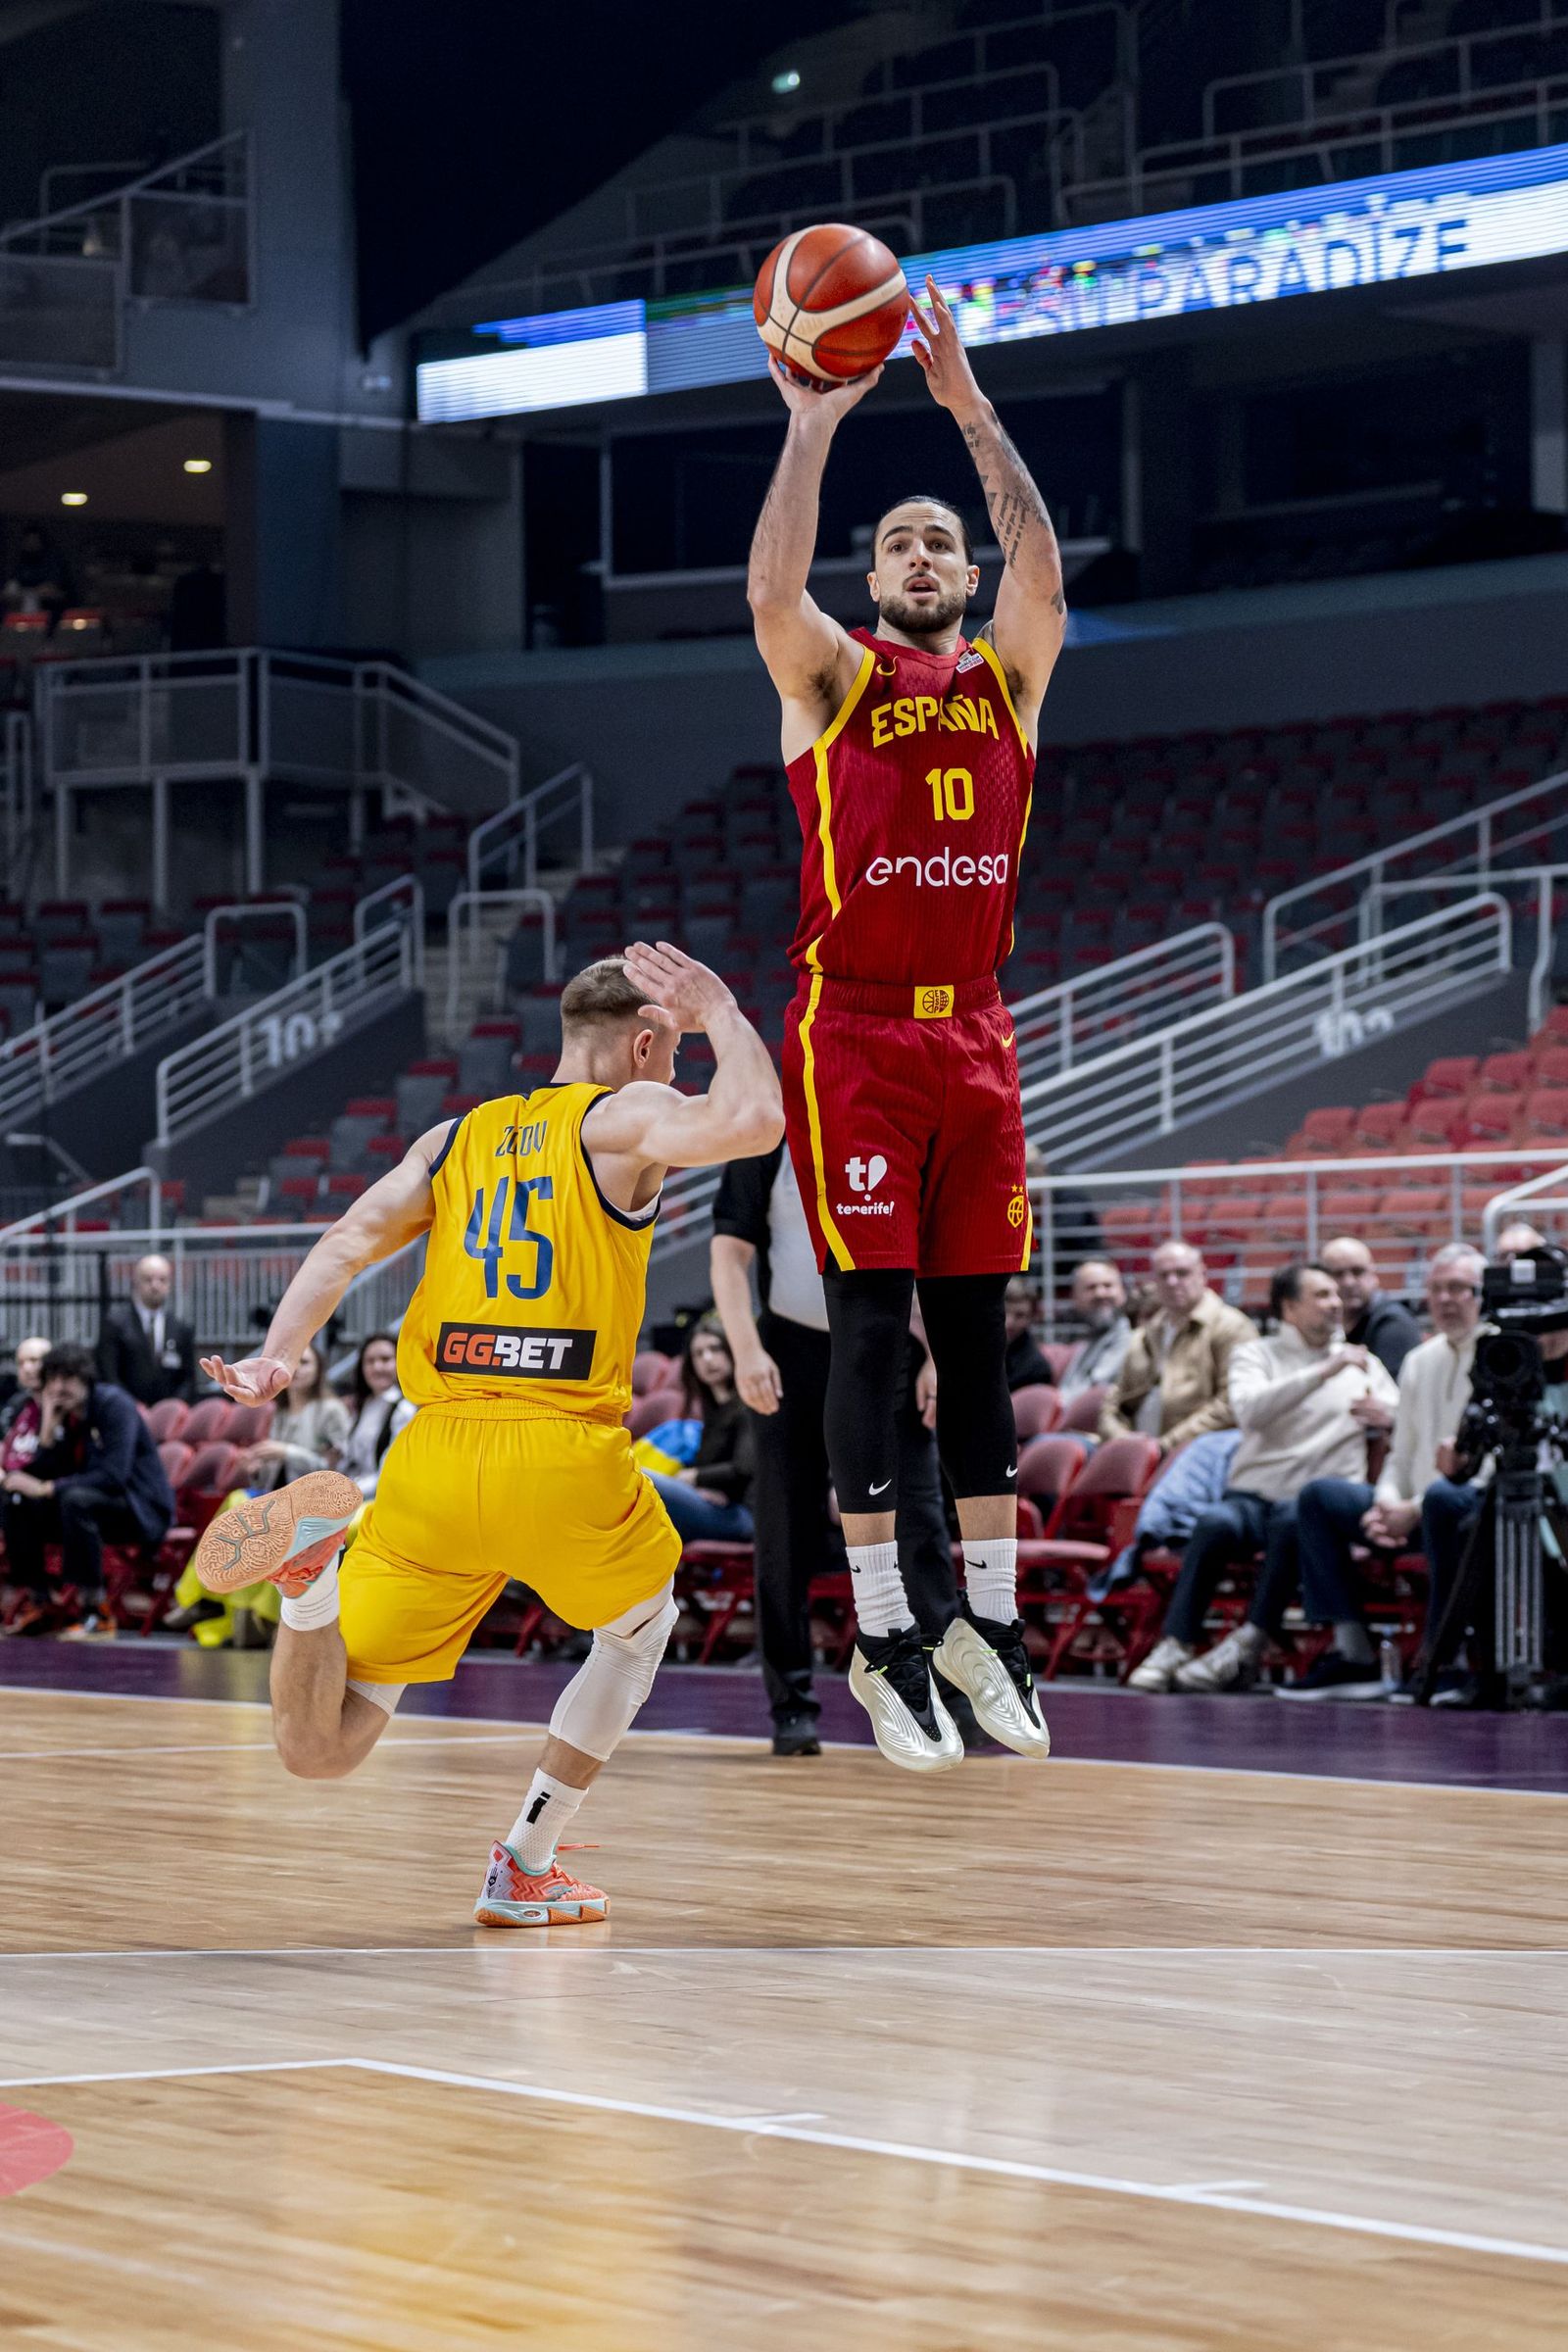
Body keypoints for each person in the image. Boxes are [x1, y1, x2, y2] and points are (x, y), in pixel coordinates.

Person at [191, 945, 783, 1928]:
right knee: (641, 1628)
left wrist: (276, 1359)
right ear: (642, 1045)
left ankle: (308, 1584)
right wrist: (717, 1006)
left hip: (432, 1458)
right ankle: (526, 1861)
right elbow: (756, 1119)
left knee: (318, 1747)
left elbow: (346, 1240)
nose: (675, 1069)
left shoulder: (452, 1139)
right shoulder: (621, 1116)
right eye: (673, 1051)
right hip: (558, 1451)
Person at [747, 270, 1065, 1771]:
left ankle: (984, 1625)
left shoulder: (1010, 678)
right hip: (855, 1029)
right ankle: (882, 1636)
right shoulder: (834, 676)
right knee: (871, 1332)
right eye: (899, 541)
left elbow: (1043, 566)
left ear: (965, 571)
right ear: (872, 576)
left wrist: (970, 410)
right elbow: (769, 595)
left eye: (941, 539)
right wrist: (812, 429)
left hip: (977, 1031)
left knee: (979, 1338)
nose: (924, 553)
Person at [710, 1138, 970, 1757]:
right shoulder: (766, 1138)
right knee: (783, 1532)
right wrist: (746, 1351)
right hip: (789, 1353)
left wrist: (937, 1354)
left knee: (919, 1525)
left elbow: (940, 1253)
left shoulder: (892, 1127)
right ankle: (792, 1706)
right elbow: (728, 1254)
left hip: (887, 1344)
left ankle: (949, 1696)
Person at [1129, 1263, 1398, 1693]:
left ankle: (1248, 1643)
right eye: (1322, 1295)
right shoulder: (1257, 1355)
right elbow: (1249, 1410)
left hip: (1313, 1507)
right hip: (1253, 1496)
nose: (1336, 1303)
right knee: (1214, 1522)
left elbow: (1400, 1411)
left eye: (1335, 1295)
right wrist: (1323, 1371)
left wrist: (1389, 1415)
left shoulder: (1364, 1363)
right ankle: (1175, 1643)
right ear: (1289, 1308)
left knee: (1294, 1520)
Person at [1285, 1245, 1487, 1698]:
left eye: (1458, 1288)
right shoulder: (1421, 1359)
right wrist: (1386, 1503)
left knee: (1445, 1501)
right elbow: (1401, 1452)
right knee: (1318, 1497)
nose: (1445, 1299)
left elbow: (1490, 1468)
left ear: (1481, 1294)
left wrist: (1413, 1509)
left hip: (1461, 1512)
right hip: (1407, 1511)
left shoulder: (1498, 1353)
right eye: (1437, 1288)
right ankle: (1353, 1653)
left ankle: (1444, 1659)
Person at [165, 1341, 353, 1646]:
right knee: (237, 1500)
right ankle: (207, 1594)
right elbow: (272, 1473)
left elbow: (337, 1469)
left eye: (306, 1363)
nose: (299, 1370)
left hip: (315, 1499)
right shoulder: (279, 1411)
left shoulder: (332, 1410)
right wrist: (254, 1466)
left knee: (255, 1519)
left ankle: (228, 1605)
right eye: (295, 1363)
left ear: (319, 1369)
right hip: (279, 1492)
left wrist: (287, 1452)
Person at [0, 1342, 174, 1640]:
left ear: (85, 1378)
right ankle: (40, 1602)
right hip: (90, 1508)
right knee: (17, 1500)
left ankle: (96, 1611)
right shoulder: (65, 1415)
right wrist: (47, 1431)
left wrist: (47, 1487)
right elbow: (39, 1477)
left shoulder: (114, 1405)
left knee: (74, 1500)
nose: (58, 1387)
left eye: (67, 1378)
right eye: (52, 1379)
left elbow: (114, 1476)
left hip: (140, 1509)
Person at [1099, 1241, 1253, 1454]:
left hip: (1195, 1452)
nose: (1172, 1282)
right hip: (1133, 1453)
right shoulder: (1144, 1335)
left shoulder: (1231, 1327)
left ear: (1202, 1275)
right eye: (1163, 1275)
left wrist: (1165, 1445)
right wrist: (1122, 1440)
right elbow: (1113, 1403)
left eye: (1182, 1273)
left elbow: (1231, 1404)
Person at [641, 1315, 755, 1544]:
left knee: (640, 1480)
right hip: (716, 1506)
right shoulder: (712, 1412)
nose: (708, 1359)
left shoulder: (749, 1405)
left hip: (743, 1515)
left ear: (732, 1350)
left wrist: (693, 1477)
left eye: (715, 1349)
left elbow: (745, 1468)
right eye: (698, 1354)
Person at [95, 1254, 197, 1406]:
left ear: (169, 1284)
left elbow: (188, 1379)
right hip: (126, 1410)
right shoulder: (115, 1324)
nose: (155, 1285)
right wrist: (130, 1407)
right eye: (148, 1279)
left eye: (162, 1280)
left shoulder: (181, 1328)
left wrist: (173, 1408)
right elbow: (108, 1374)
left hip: (168, 1414)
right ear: (136, 1282)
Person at [1319, 1236, 1422, 1380]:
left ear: (1374, 1275)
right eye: (1338, 1274)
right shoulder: (1328, 1325)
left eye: (1357, 1272)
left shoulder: (1393, 1324)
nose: (1349, 1282)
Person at [337, 1332, 415, 1499]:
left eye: (385, 1359)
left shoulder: (405, 1410)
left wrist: (345, 1494)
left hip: (382, 1498)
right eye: (370, 1361)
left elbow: (390, 1474)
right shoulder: (363, 1405)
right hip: (356, 1491)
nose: (377, 1367)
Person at [1058, 1261, 1133, 1401]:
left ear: (1123, 1291)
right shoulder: (1091, 1338)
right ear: (1075, 1297)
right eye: (1091, 1287)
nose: (1100, 1293)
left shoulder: (1129, 1336)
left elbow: (1094, 1388)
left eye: (1108, 1285)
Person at [1004, 1276, 1054, 1393]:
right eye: (1004, 1312)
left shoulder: (1037, 1369)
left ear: (1032, 1317)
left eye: (1020, 1315)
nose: (1009, 1322)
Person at [0, 1334, 49, 1431]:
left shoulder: (66, 1406)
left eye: (34, 1360)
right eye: (20, 1363)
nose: (26, 1368)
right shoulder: (16, 1405)